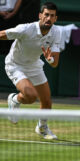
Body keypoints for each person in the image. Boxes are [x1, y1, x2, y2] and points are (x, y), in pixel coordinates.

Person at [0, 2, 60, 140]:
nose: (48, 18)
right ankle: (15, 100)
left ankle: (42, 128)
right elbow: (2, 34)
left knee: (47, 101)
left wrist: (50, 59)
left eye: (52, 16)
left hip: (34, 66)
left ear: (55, 18)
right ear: (40, 15)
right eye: (46, 15)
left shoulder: (57, 32)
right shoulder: (25, 29)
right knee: (31, 96)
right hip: (15, 65)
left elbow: (55, 63)